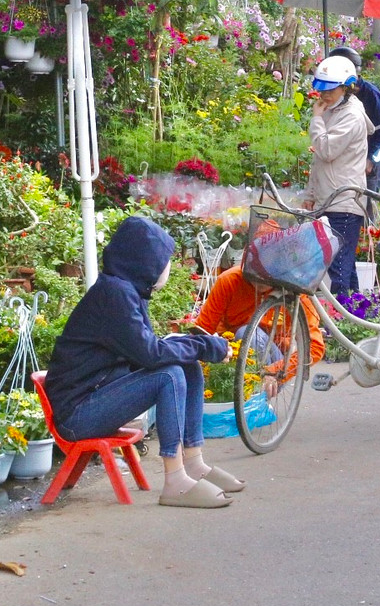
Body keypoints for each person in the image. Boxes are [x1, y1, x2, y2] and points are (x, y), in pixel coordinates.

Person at [44, 216, 242, 509]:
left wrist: (198, 348)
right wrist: (204, 345)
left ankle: (194, 462)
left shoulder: (124, 291)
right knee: (169, 374)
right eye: (163, 259)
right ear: (143, 260)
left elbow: (147, 350)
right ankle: (174, 480)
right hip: (77, 415)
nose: (167, 266)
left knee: (186, 365)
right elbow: (151, 355)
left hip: (93, 396)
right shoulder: (115, 295)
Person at [191, 227, 327, 398]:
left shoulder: (294, 289)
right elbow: (202, 330)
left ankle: (259, 393)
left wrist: (275, 371)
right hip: (231, 356)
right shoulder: (229, 281)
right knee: (244, 333)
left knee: (248, 333)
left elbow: (314, 347)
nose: (260, 282)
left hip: (276, 366)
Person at [303, 55, 371, 293]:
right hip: (329, 198)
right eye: (322, 89)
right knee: (345, 266)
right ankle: (355, 317)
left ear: (346, 87)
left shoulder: (351, 115)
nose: (325, 95)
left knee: (339, 268)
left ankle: (340, 322)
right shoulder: (332, 110)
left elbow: (326, 150)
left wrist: (316, 120)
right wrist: (311, 193)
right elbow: (319, 160)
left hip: (343, 201)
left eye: (331, 89)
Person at [328, 47, 380, 197]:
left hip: (367, 167)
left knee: (365, 210)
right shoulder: (335, 93)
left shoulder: (371, 95)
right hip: (345, 163)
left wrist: (372, 160)